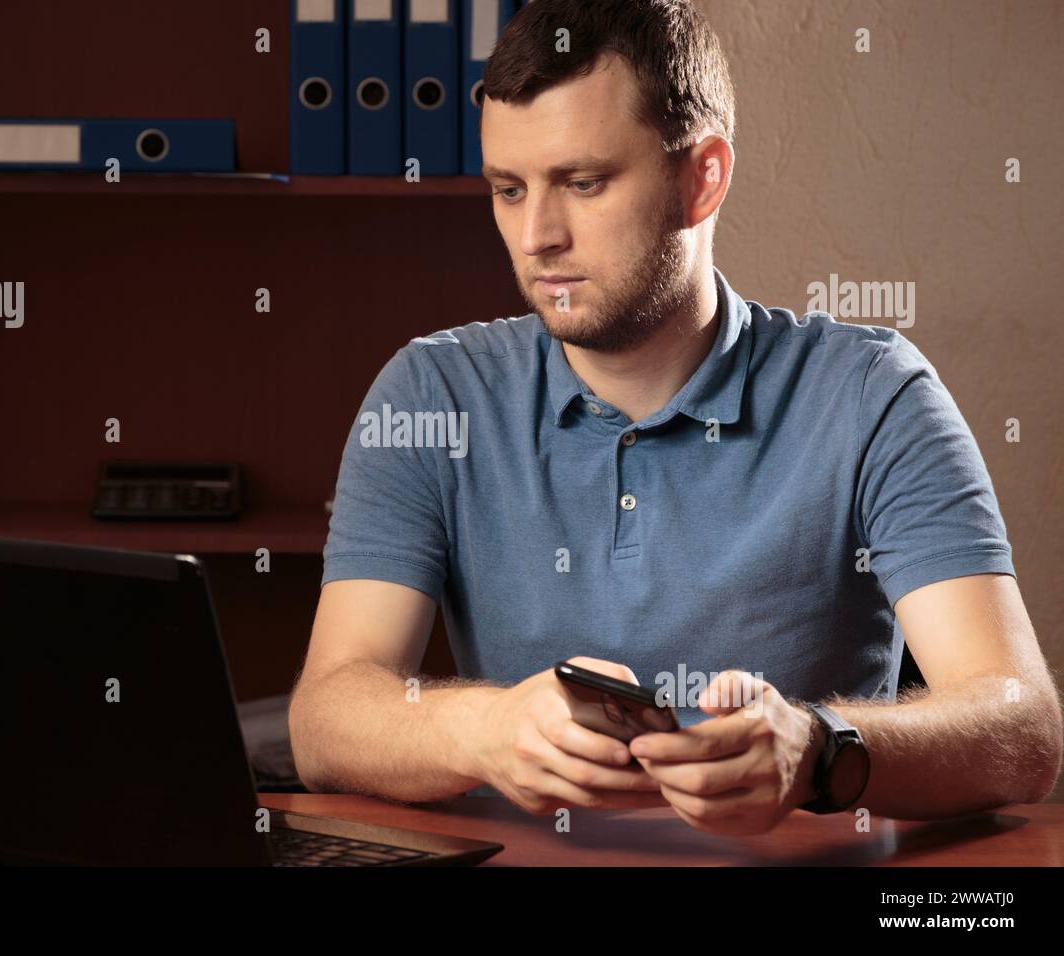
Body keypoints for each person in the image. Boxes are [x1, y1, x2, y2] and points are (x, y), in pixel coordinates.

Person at [288, 0, 1061, 835]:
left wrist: (819, 750)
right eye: (509, 190)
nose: (537, 236)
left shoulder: (872, 393)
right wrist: (483, 729)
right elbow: (324, 719)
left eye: (583, 183)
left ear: (703, 178)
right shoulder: (430, 394)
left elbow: (1023, 730)